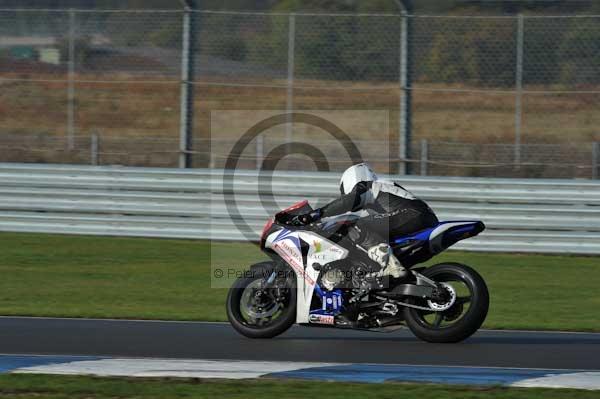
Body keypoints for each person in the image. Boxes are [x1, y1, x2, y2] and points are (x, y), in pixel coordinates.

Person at [294, 163, 439, 279]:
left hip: (411, 215)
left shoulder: (367, 186)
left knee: (355, 224)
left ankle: (390, 264)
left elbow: (349, 201)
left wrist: (317, 213)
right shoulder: (382, 189)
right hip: (419, 217)